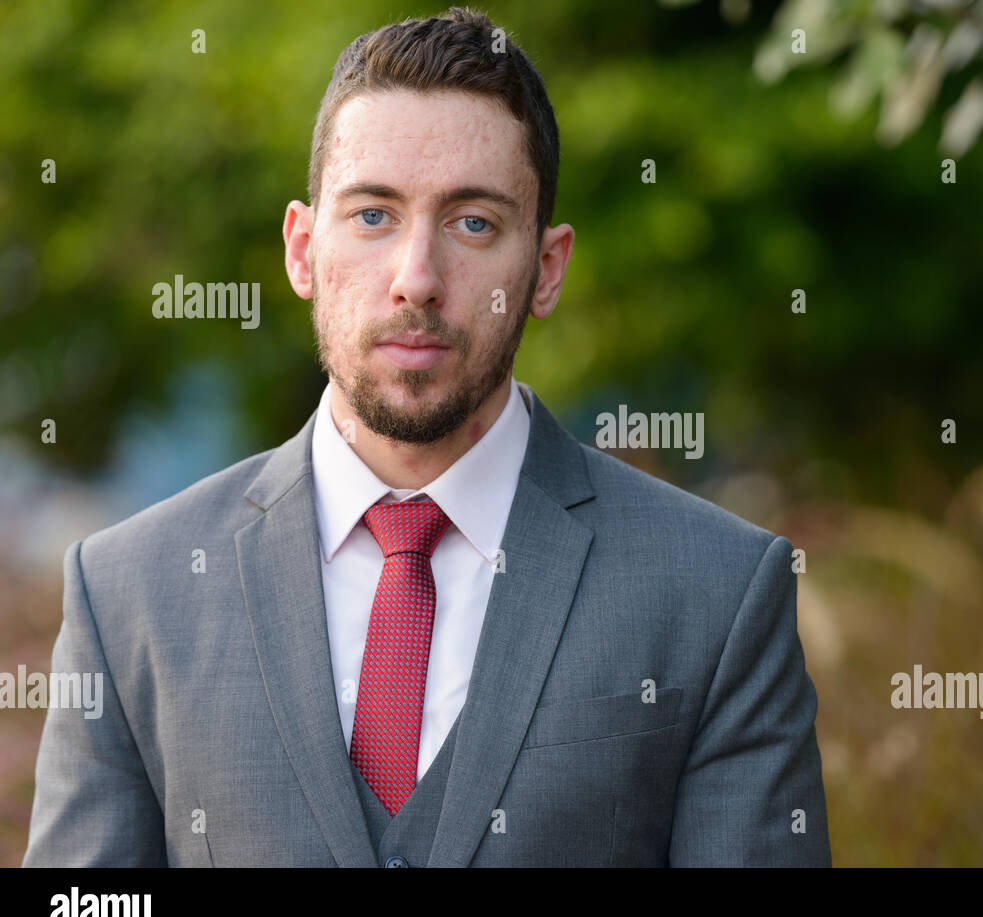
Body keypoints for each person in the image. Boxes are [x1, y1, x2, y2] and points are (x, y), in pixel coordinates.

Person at [23, 7, 830, 867]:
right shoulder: (129, 595)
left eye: (472, 222)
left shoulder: (717, 592)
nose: (416, 278)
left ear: (546, 269)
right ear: (302, 250)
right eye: (373, 215)